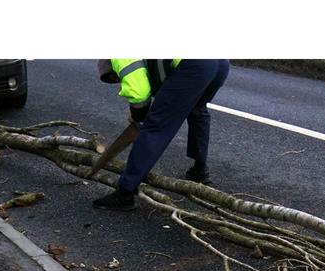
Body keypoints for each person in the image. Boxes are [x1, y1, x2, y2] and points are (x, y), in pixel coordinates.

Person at [93, 59, 231, 211]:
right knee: (197, 110)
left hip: (195, 64)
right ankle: (199, 171)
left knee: (155, 126)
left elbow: (138, 93)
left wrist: (138, 117)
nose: (118, 80)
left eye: (114, 77)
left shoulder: (120, 57)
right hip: (219, 62)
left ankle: (125, 193)